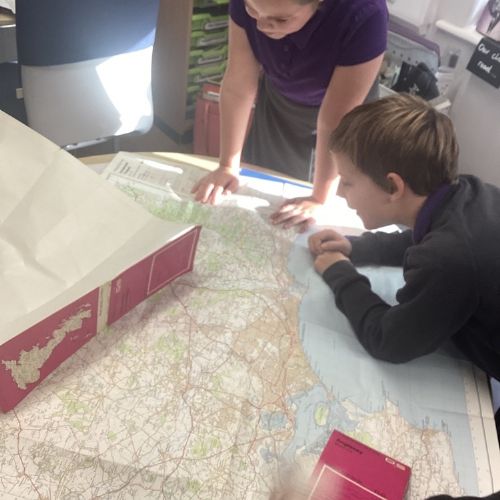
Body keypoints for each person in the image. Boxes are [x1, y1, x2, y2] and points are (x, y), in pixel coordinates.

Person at [308, 94, 500, 438]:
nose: (340, 194)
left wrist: (340, 273)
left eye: (347, 182)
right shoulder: (466, 194)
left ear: (393, 186)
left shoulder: (450, 258)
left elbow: (389, 340)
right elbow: (425, 238)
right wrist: (358, 247)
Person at [192, 0, 388, 231]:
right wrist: (227, 166)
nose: (262, 25)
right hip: (280, 104)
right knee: (267, 194)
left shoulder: (365, 14)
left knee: (334, 213)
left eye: (281, 19)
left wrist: (320, 198)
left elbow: (335, 120)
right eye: (252, 10)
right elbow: (238, 84)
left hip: (345, 120)